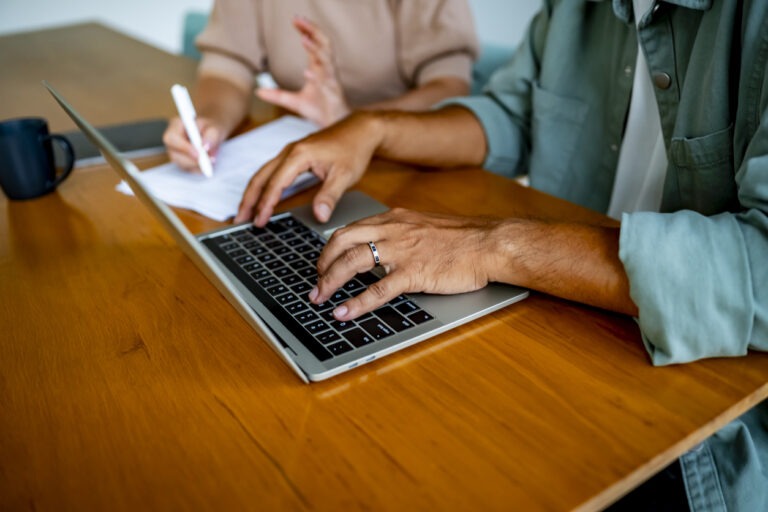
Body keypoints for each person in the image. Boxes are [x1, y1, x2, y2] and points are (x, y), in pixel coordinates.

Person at [234, 0, 768, 509]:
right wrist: (373, 128)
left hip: (707, 435)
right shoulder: (574, 8)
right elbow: (512, 116)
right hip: (561, 335)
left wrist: (494, 244)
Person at [163, 0, 478, 173]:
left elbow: (450, 86)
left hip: (402, 163)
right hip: (307, 153)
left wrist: (351, 120)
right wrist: (211, 121)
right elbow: (228, 67)